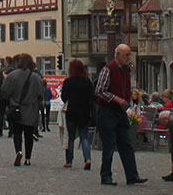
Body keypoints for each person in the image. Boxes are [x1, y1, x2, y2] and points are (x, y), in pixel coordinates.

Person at [93, 43, 146, 186]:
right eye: (126, 55)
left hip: (120, 111)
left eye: (129, 55)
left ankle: (132, 175)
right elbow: (99, 90)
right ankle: (106, 176)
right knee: (109, 145)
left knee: (126, 143)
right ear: (118, 55)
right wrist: (117, 99)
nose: (129, 58)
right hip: (107, 111)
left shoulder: (126, 70)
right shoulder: (108, 69)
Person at [1, 53, 44, 166]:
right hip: (30, 110)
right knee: (28, 135)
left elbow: (4, 92)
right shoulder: (35, 77)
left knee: (17, 133)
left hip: (16, 109)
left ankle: (18, 151)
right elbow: (40, 94)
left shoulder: (12, 75)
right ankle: (28, 158)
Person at [61, 59, 94, 169]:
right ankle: (87, 158)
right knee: (84, 136)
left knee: (70, 137)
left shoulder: (68, 82)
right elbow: (91, 97)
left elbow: (64, 98)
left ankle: (69, 161)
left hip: (72, 112)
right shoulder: (87, 81)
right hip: (84, 112)